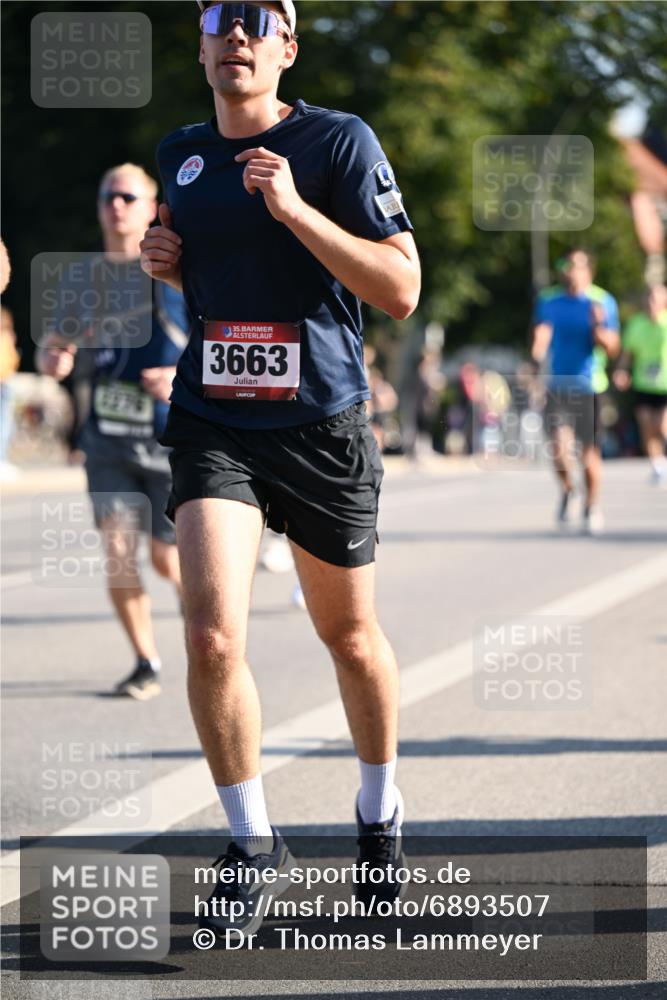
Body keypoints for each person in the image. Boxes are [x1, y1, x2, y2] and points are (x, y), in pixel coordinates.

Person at [139, 0, 420, 935]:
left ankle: (378, 820)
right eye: (219, 16)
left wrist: (295, 207)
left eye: (261, 18)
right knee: (213, 637)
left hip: (321, 426)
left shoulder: (338, 144)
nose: (237, 33)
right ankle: (251, 844)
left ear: (287, 48)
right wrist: (167, 264)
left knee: (349, 636)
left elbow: (401, 290)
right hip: (214, 419)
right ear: (204, 45)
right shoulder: (181, 153)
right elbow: (221, 284)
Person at [37, 164, 189, 700]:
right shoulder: (84, 278)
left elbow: (215, 339)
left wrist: (178, 376)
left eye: (127, 195)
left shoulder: (178, 267)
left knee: (167, 559)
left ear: (150, 206)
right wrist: (53, 358)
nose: (116, 204)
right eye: (107, 196)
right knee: (120, 553)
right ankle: (146, 660)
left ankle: (210, 636)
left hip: (173, 439)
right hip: (107, 438)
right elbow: (54, 346)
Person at [532, 249, 620, 534]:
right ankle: (569, 490)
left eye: (576, 267)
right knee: (557, 450)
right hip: (557, 384)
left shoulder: (602, 301)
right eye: (566, 266)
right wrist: (537, 355)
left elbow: (612, 347)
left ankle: (591, 506)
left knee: (588, 455)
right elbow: (542, 331)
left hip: (589, 386)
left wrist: (597, 328)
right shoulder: (549, 300)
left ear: (588, 271)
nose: (570, 271)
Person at [613, 285, 667, 483]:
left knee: (661, 425)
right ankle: (658, 465)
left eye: (656, 299)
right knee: (645, 425)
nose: (652, 303)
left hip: (665, 384)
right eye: (649, 298)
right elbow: (627, 353)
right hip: (644, 383)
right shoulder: (636, 324)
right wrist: (621, 371)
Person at [0, 305, 20, 480]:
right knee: (4, 423)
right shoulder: (5, 338)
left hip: (4, 381)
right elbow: (10, 360)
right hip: (3, 382)